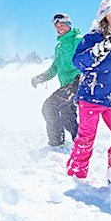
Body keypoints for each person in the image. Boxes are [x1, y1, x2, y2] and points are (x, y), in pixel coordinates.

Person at [66, 0, 111, 181]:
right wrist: (99, 50)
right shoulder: (92, 38)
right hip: (91, 97)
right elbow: (79, 62)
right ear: (104, 17)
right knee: (86, 137)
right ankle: (76, 174)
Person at [31, 13, 83, 147]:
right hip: (67, 85)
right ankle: (81, 142)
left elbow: (87, 59)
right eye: (57, 26)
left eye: (62, 25)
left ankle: (56, 142)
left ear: (69, 24)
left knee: (48, 107)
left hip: (77, 83)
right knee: (67, 116)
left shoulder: (77, 39)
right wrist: (42, 77)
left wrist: (79, 79)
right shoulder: (59, 46)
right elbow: (55, 67)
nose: (59, 28)